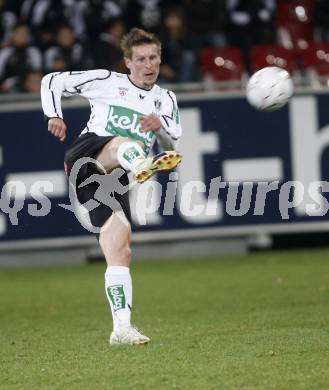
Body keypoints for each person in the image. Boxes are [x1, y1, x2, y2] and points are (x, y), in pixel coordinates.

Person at [40, 28, 182, 345]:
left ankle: (121, 329)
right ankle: (141, 164)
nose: (149, 65)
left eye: (154, 57)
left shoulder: (165, 99)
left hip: (114, 180)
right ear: (128, 62)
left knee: (121, 249)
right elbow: (52, 80)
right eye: (142, 59)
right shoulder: (107, 81)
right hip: (88, 157)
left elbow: (173, 141)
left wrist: (159, 128)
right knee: (124, 144)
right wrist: (54, 114)